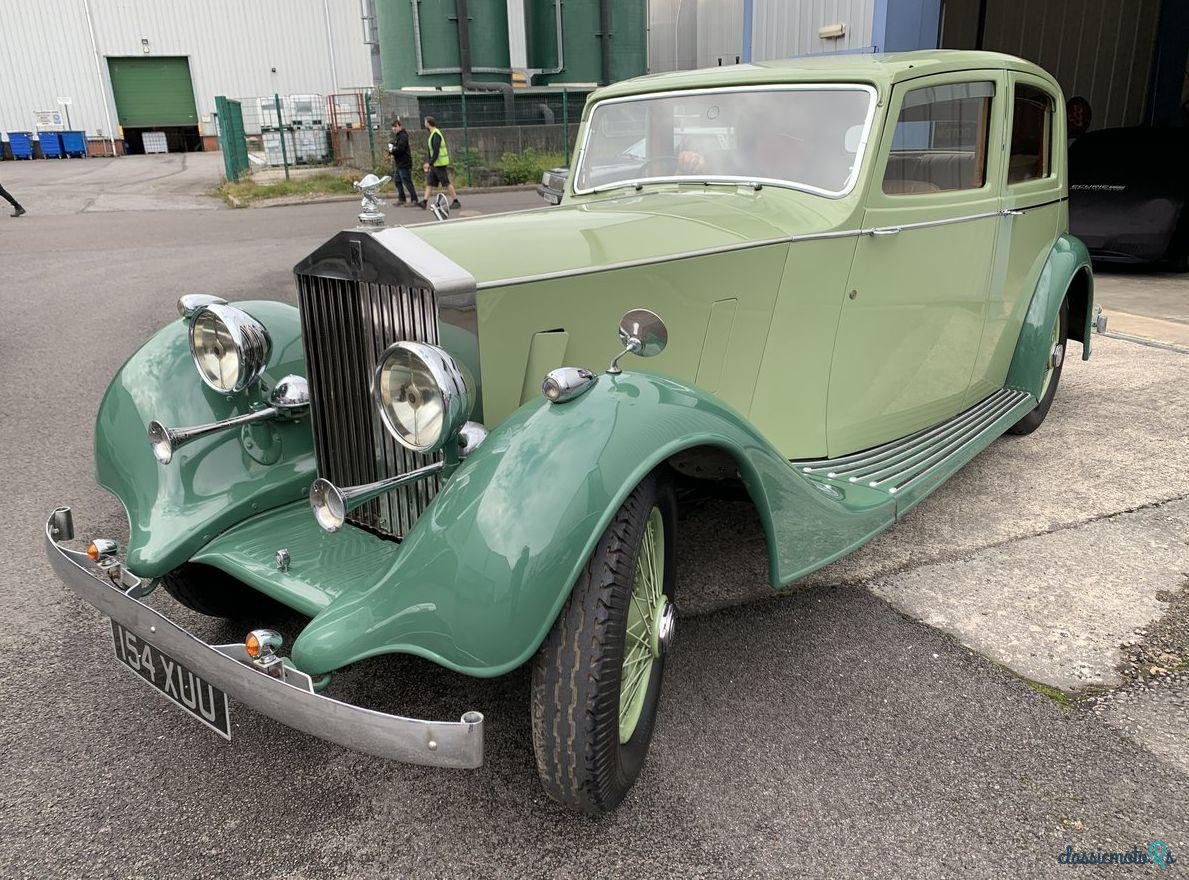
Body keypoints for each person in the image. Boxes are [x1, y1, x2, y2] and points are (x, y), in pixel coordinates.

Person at [420, 117, 461, 211]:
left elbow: (436, 151)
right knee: (430, 182)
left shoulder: (436, 134)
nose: (424, 124)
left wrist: (429, 163)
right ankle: (424, 202)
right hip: (435, 164)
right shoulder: (432, 134)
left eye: (425, 122)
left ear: (429, 123)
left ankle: (456, 201)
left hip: (439, 164)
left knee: (446, 183)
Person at [386, 118, 415, 206]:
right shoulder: (398, 136)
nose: (394, 128)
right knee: (397, 181)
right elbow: (396, 147)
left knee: (407, 181)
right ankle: (402, 199)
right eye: (393, 127)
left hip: (404, 163)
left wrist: (392, 151)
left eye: (396, 126)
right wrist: (391, 149)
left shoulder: (403, 136)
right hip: (399, 163)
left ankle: (414, 200)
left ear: (400, 126)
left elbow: (400, 149)